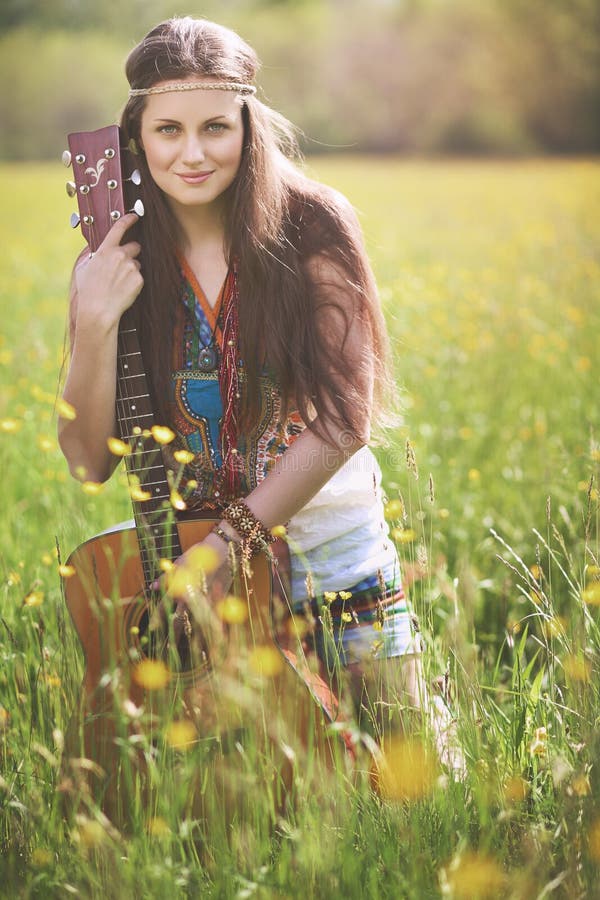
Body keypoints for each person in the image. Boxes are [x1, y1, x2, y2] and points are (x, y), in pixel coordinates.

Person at [58, 16, 425, 746]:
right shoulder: (112, 253)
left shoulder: (313, 226)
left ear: (249, 126)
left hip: (326, 546)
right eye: (168, 130)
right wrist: (94, 322)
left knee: (412, 776)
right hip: (189, 558)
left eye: (215, 128)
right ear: (137, 133)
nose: (192, 154)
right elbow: (87, 461)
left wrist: (229, 547)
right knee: (246, 795)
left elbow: (345, 420)